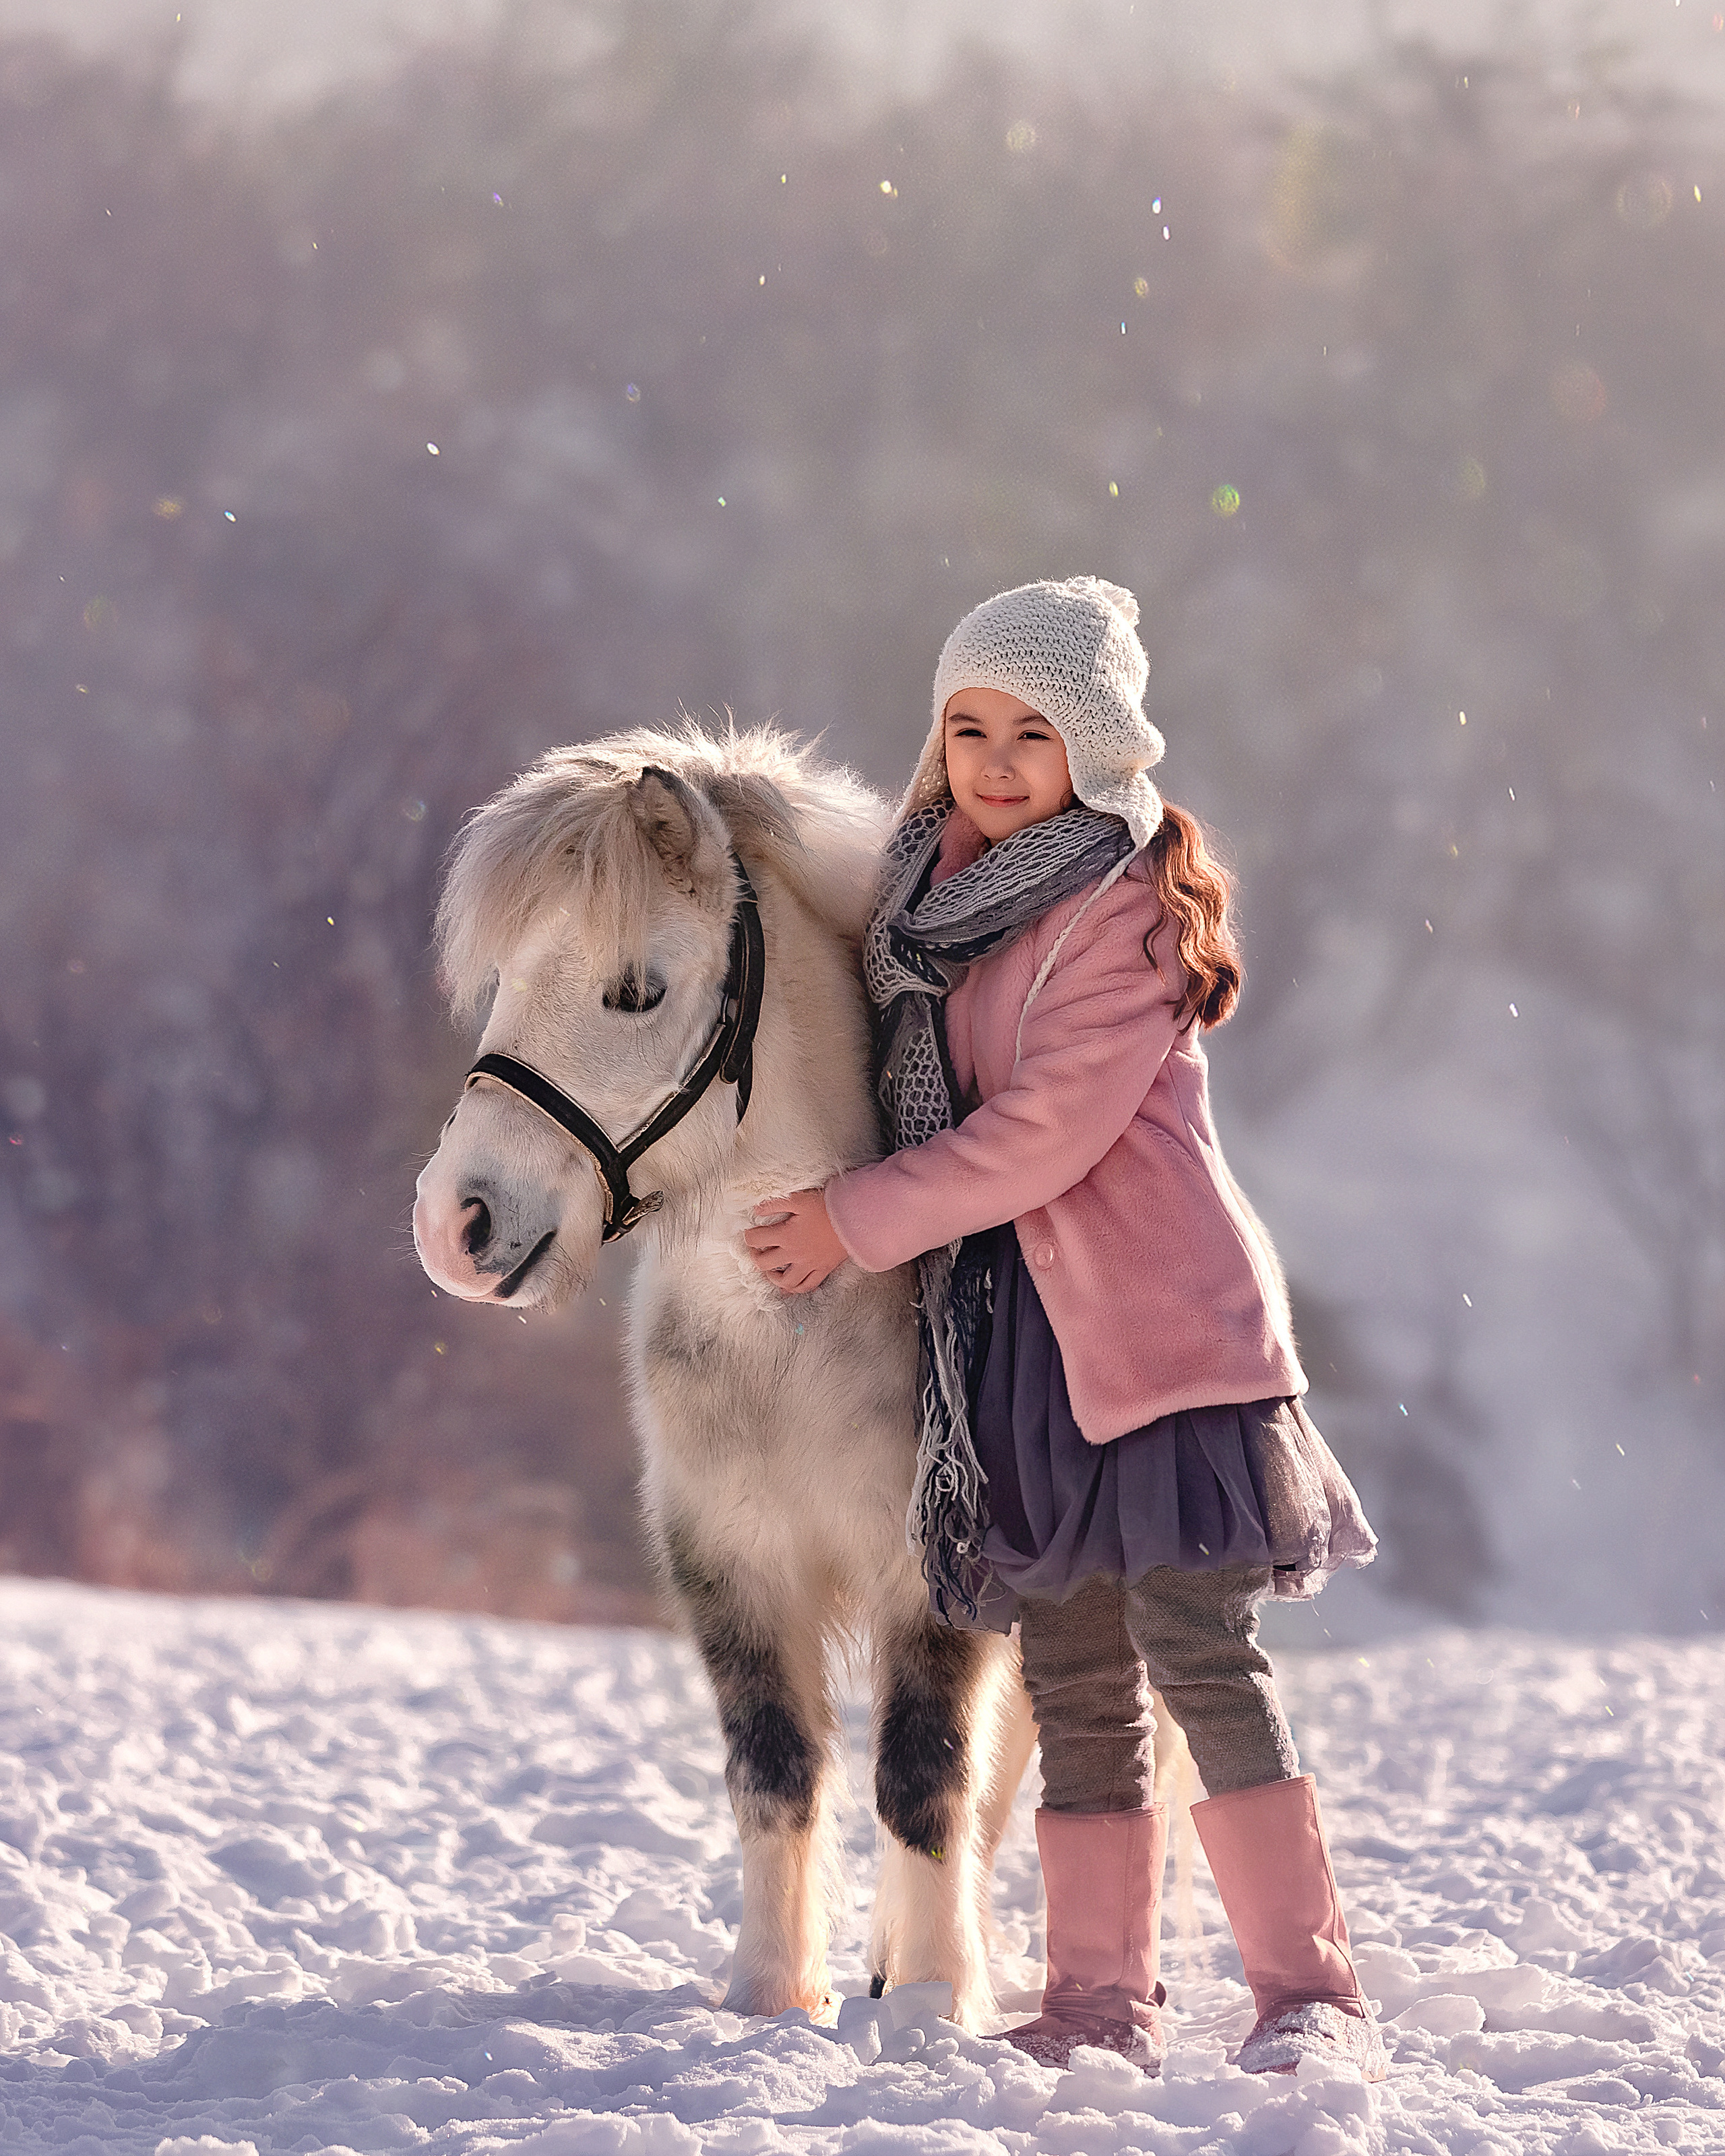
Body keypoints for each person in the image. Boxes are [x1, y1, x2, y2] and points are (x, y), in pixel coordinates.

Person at [743, 576, 1384, 2078]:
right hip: (1028, 1345)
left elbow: (1042, 1132)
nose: (993, 759)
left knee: (1193, 1654)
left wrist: (858, 1215)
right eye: (966, 727)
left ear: (1096, 749)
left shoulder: (1117, 907)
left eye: (1033, 732)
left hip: (1157, 1339)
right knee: (1074, 1675)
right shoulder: (925, 904)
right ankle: (1100, 1995)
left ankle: (1305, 1985)